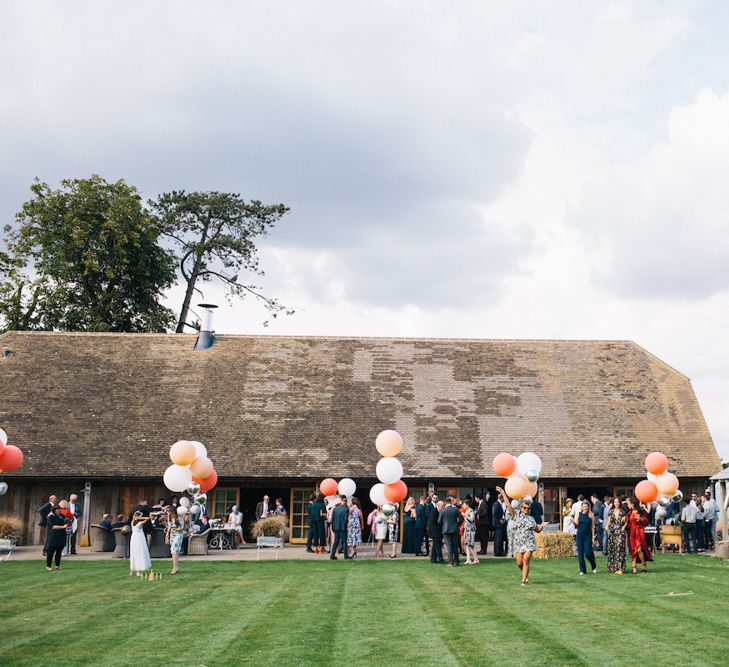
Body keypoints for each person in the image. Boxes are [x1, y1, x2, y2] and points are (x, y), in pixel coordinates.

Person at [497, 486, 547, 586]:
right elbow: (508, 506)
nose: (526, 510)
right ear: (521, 508)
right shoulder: (516, 516)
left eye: (528, 508)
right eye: (524, 508)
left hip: (529, 542)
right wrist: (503, 493)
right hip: (519, 543)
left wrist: (542, 526)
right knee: (520, 563)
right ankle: (525, 572)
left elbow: (537, 530)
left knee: (526, 560)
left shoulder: (531, 519)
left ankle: (523, 581)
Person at [625, 497, 653, 574]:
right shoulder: (629, 513)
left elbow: (646, 521)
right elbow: (628, 523)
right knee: (633, 550)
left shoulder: (640, 512)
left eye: (628, 504)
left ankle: (644, 564)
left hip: (640, 532)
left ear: (633, 504)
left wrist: (640, 519)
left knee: (639, 549)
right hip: (632, 533)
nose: (628, 505)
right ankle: (634, 567)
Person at [438, 497, 464, 567]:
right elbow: (462, 519)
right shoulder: (455, 509)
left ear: (445, 503)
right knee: (455, 546)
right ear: (450, 502)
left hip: (446, 530)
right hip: (455, 529)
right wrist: (457, 525)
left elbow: (439, 521)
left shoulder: (443, 510)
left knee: (449, 546)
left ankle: (451, 563)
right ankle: (456, 562)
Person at [45, 505, 72, 571]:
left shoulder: (62, 516)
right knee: (51, 552)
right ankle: (48, 566)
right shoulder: (50, 517)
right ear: (54, 510)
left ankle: (57, 565)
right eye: (57, 510)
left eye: (59, 510)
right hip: (53, 536)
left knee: (59, 551)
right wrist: (63, 527)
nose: (58, 511)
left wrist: (69, 522)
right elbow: (52, 527)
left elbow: (67, 521)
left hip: (61, 535)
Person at [575, 501, 597, 575]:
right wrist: (574, 522)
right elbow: (576, 523)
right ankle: (582, 570)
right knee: (580, 554)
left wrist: (593, 537)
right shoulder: (578, 514)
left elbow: (592, 527)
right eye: (583, 506)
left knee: (588, 553)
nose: (585, 508)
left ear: (588, 507)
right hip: (579, 536)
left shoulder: (591, 515)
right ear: (581, 507)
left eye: (586, 506)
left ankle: (593, 565)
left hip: (588, 536)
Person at [606, 497, 626, 573]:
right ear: (613, 503)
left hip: (620, 532)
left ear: (620, 503)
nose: (616, 503)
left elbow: (626, 521)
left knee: (620, 549)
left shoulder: (623, 511)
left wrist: (624, 526)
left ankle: (620, 568)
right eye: (615, 502)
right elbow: (609, 521)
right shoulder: (610, 511)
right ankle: (613, 567)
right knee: (612, 549)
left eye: (617, 502)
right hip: (613, 532)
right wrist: (607, 526)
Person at [129, 511, 152, 576]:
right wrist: (139, 518)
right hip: (139, 538)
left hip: (134, 537)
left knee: (134, 553)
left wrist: (137, 518)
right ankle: (138, 571)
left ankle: (132, 571)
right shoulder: (140, 523)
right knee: (139, 552)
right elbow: (148, 518)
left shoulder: (132, 522)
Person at [165, 506, 185, 574]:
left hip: (178, 535)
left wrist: (175, 529)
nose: (167, 512)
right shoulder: (169, 518)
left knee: (174, 550)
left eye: (168, 511)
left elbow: (182, 527)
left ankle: (175, 567)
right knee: (173, 551)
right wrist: (167, 535)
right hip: (172, 535)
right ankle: (176, 566)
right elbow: (169, 526)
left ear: (172, 511)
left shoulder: (179, 518)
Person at [462, 499, 479, 565]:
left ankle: (476, 559)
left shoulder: (471, 510)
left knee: (471, 544)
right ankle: (468, 559)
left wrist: (465, 515)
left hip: (471, 529)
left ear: (467, 505)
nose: (463, 505)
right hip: (467, 528)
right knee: (466, 544)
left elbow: (472, 519)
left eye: (464, 504)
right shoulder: (466, 510)